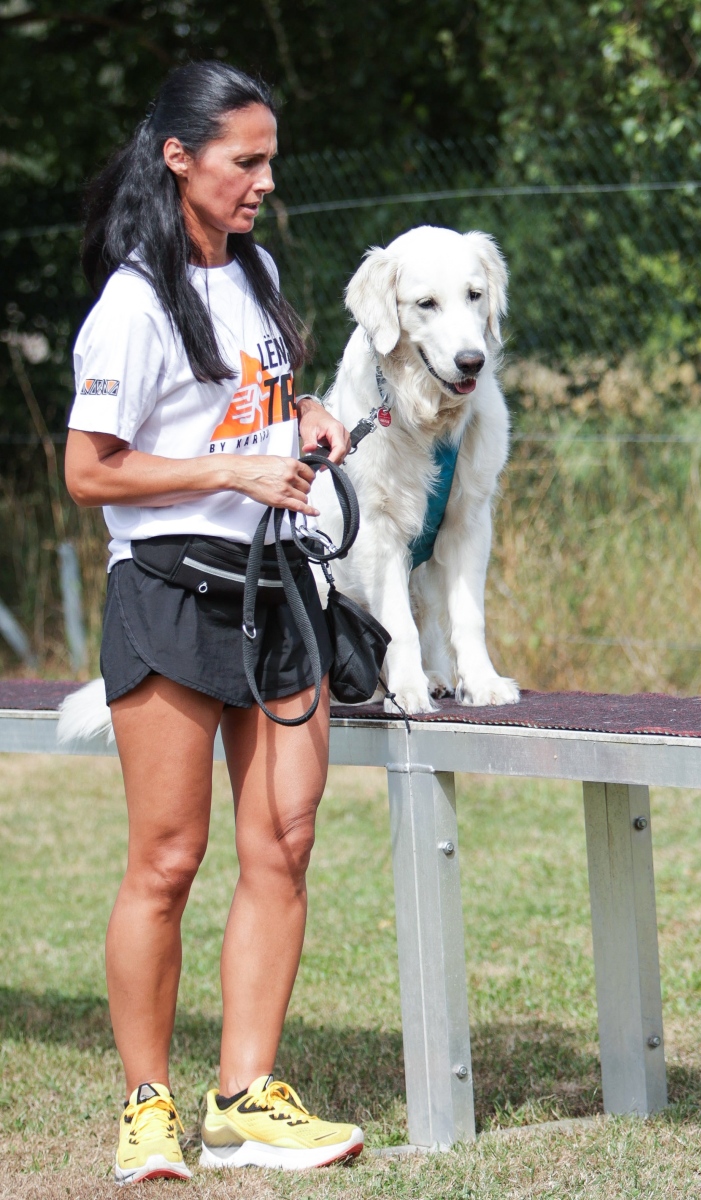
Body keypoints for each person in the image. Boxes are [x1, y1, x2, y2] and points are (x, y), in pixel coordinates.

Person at [64, 61, 363, 1185]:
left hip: (277, 586)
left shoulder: (258, 272)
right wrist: (231, 472)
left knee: (284, 840)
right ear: (180, 159)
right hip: (169, 593)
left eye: (270, 159)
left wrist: (307, 414)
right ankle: (147, 1106)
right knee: (168, 857)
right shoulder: (132, 304)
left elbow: (249, 407)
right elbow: (90, 471)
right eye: (247, 160)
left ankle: (244, 1098)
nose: (265, 181)